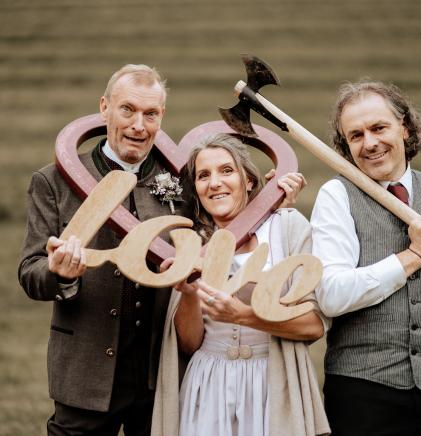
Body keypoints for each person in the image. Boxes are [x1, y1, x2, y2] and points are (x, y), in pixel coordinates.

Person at [18, 64, 188, 436]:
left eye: (150, 114)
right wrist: (58, 272)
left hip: (159, 376)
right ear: (104, 108)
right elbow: (30, 272)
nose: (138, 126)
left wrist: (274, 194)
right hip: (85, 373)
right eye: (127, 110)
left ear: (162, 117)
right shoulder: (54, 181)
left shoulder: (182, 180)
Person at [310, 80, 421, 435]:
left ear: (404, 127)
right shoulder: (336, 196)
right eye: (355, 135)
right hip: (362, 393)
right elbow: (331, 294)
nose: (370, 143)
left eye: (378, 128)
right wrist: (413, 255)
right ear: (345, 145)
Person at [151, 133, 331, 436]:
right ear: (196, 188)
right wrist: (189, 295)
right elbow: (188, 344)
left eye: (226, 170)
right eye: (203, 176)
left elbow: (312, 326)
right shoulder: (192, 244)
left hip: (272, 379)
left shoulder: (286, 227)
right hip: (208, 382)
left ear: (249, 180)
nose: (215, 183)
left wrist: (242, 316)